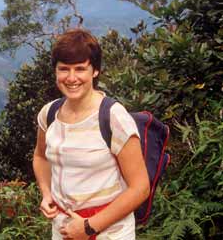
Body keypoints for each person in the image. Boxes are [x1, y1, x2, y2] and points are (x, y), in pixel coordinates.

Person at [33, 29, 150, 240]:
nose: (71, 78)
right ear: (55, 71)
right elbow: (40, 157)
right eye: (63, 69)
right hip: (64, 229)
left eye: (80, 69)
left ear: (95, 71)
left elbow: (140, 188)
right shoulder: (49, 114)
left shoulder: (113, 118)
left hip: (110, 232)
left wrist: (88, 227)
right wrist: (46, 193)